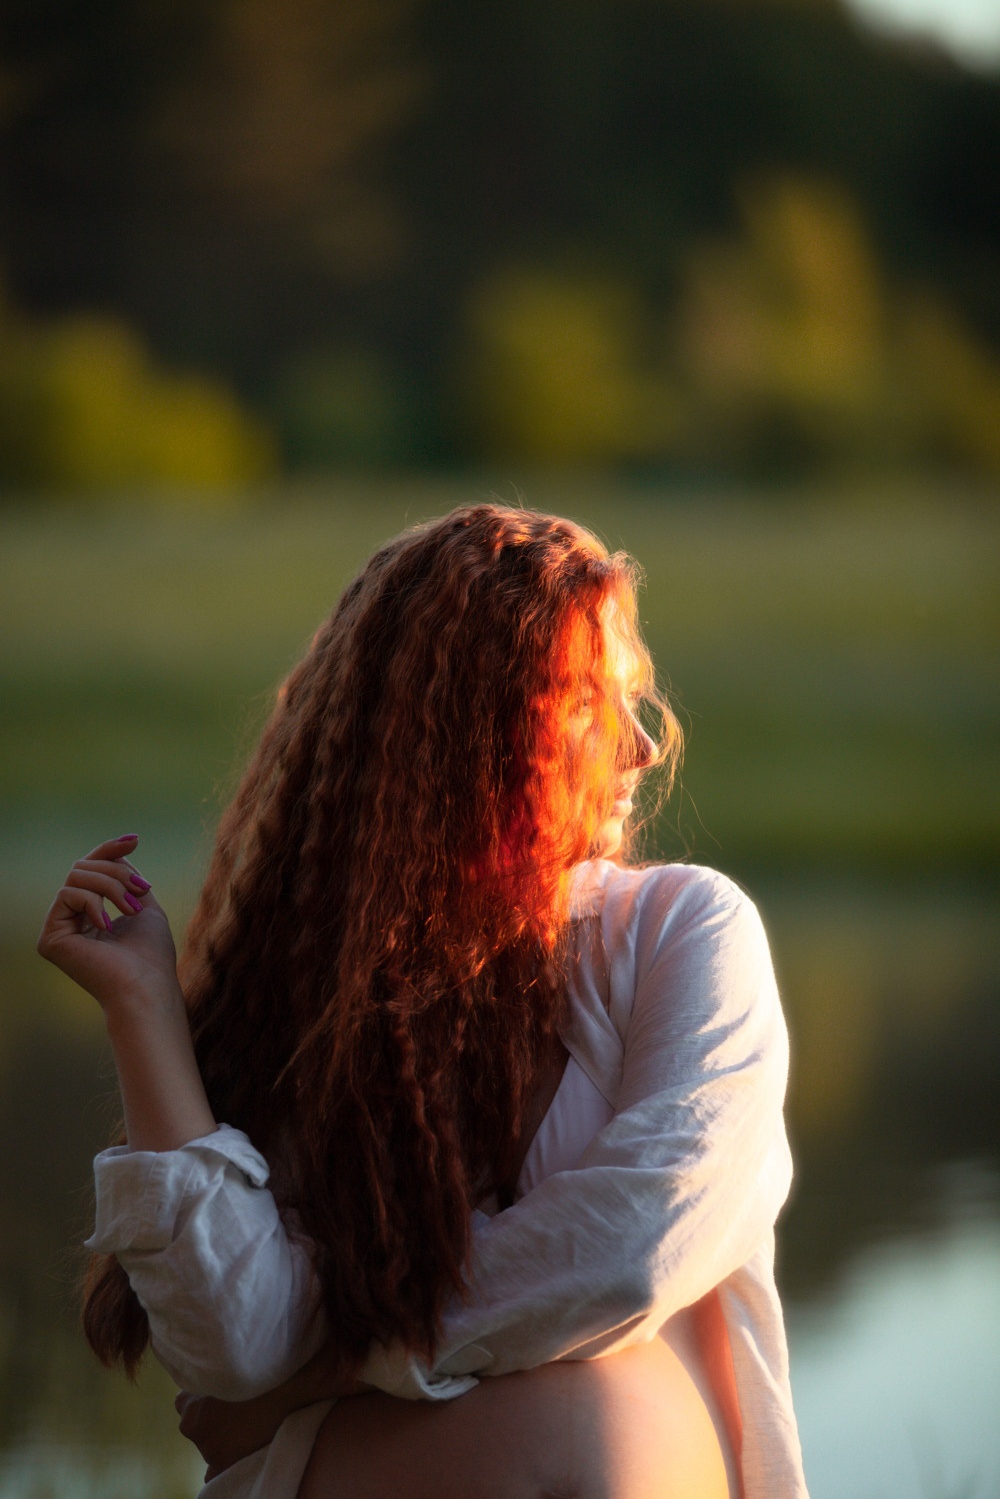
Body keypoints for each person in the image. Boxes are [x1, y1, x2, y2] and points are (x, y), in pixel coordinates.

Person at [38, 504, 808, 1498]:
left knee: (593, 1408)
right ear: (463, 733)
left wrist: (326, 1369)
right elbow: (236, 1349)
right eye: (585, 702)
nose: (639, 750)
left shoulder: (685, 933)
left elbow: (633, 1250)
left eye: (634, 700)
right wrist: (142, 1006)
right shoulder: (314, 1011)